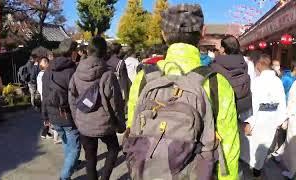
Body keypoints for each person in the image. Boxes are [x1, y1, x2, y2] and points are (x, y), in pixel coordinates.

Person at [125, 4, 240, 180]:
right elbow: (228, 148)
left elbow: (132, 131)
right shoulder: (216, 83)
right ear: (203, 32)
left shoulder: (144, 78)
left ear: (164, 34)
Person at [69, 37, 126, 180]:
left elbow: (71, 98)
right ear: (104, 52)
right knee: (113, 149)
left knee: (90, 158)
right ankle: (105, 177)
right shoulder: (108, 74)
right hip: (105, 123)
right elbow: (116, 102)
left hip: (84, 123)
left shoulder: (76, 73)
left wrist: (76, 118)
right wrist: (120, 124)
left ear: (88, 51)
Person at [240, 54, 287, 178]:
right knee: (263, 148)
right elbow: (282, 102)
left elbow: (252, 104)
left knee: (253, 146)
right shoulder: (277, 81)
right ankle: (258, 170)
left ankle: (254, 170)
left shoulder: (257, 82)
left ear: (259, 64)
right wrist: (281, 120)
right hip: (271, 120)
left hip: (258, 119)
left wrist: (248, 121)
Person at [41, 39, 81, 180]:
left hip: (53, 114)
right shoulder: (73, 70)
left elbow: (44, 96)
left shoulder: (48, 70)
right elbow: (77, 96)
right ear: (73, 53)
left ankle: (73, 164)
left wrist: (45, 117)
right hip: (68, 115)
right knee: (75, 146)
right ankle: (64, 176)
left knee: (65, 142)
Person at [211, 35, 252, 121]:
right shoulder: (244, 64)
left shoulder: (215, 66)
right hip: (241, 109)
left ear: (223, 49)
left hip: (222, 111)